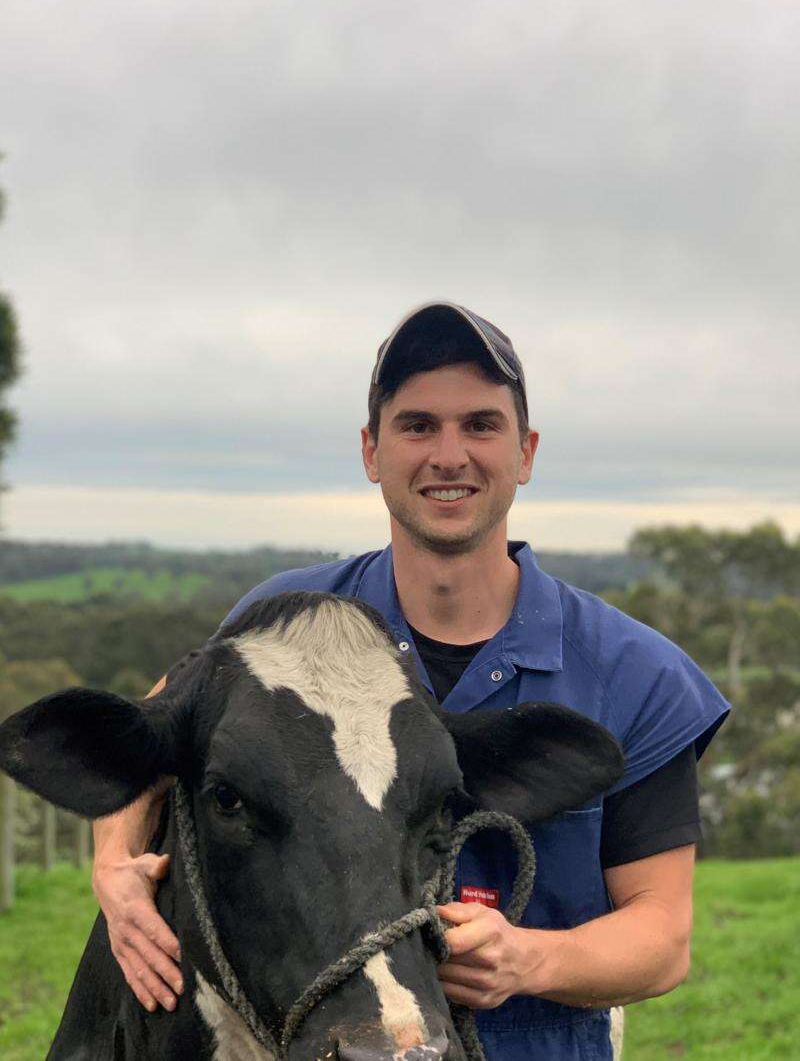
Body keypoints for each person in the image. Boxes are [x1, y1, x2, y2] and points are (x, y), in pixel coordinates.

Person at [92, 302, 729, 1060]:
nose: (449, 454)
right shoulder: (285, 626)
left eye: (481, 425)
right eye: (418, 425)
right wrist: (115, 863)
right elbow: (158, 720)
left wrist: (528, 958)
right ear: (372, 450)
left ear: (525, 453)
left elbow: (663, 936)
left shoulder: (636, 675)